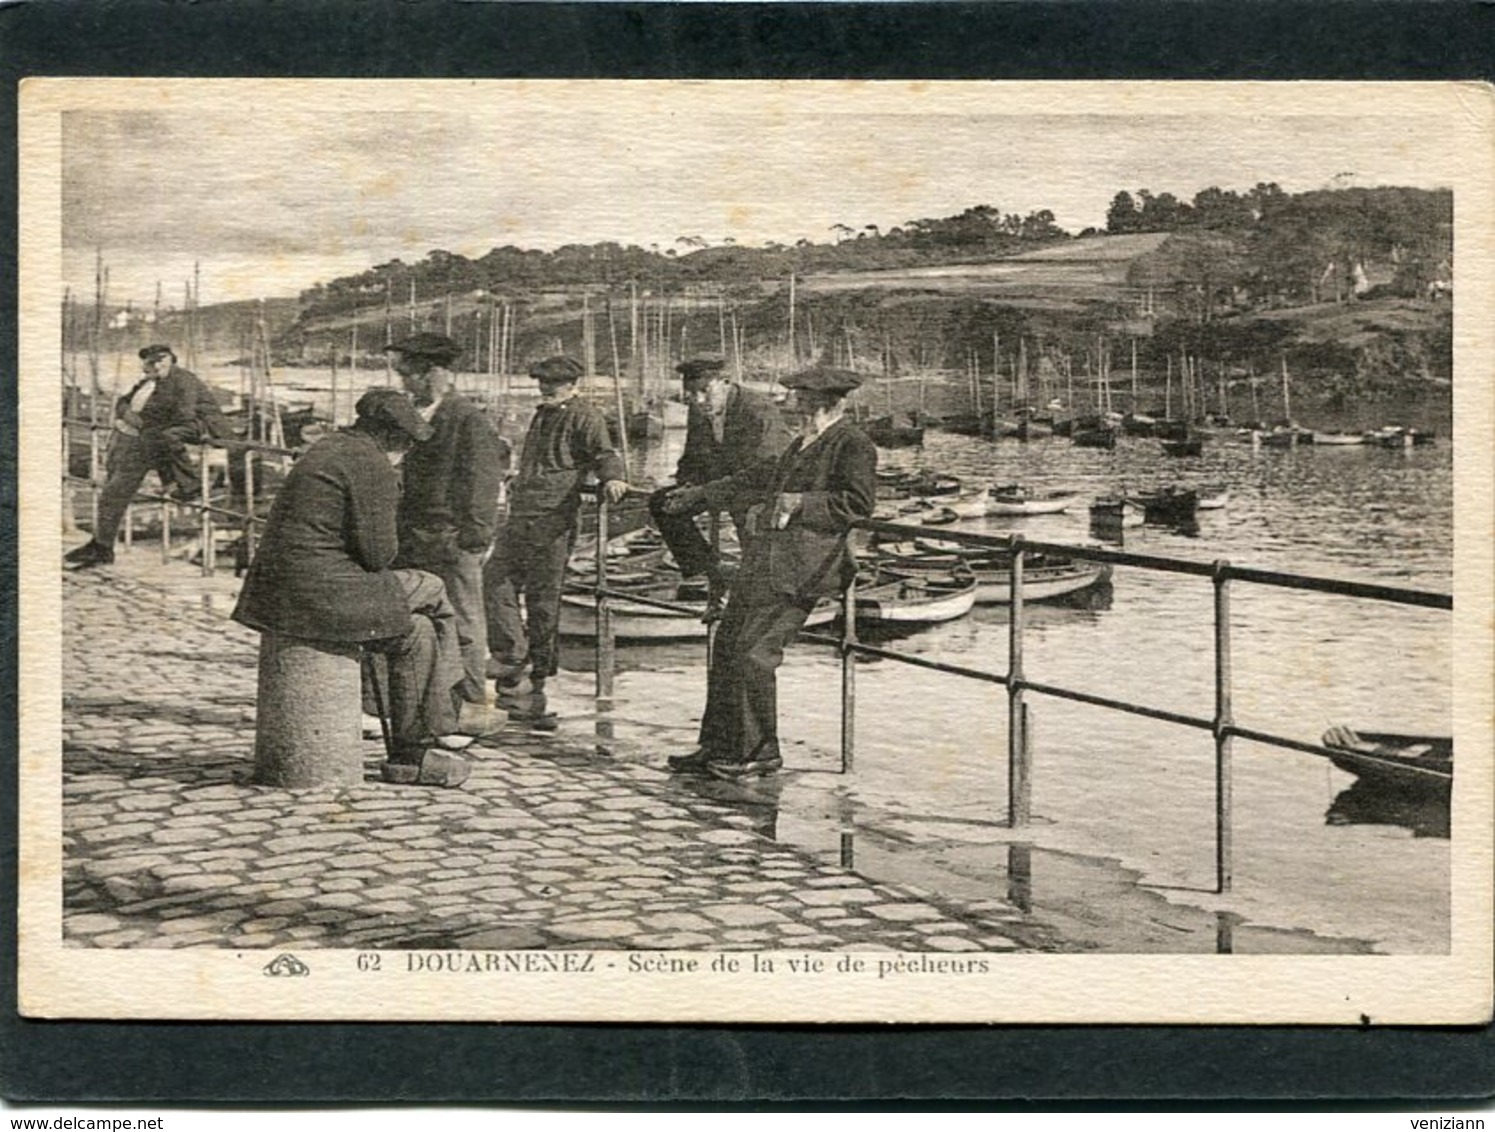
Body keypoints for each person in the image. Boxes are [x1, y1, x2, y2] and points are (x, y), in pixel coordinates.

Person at [231, 389, 472, 788]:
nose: (409, 450)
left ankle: (411, 752)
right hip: (319, 592)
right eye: (407, 441)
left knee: (418, 632)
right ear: (391, 438)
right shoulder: (370, 464)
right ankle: (443, 718)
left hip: (282, 591)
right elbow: (379, 555)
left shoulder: (331, 447)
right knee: (433, 588)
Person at [663, 366, 877, 780]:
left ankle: (760, 752)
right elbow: (756, 476)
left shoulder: (853, 443)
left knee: (754, 653)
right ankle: (716, 746)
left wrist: (800, 503)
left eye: (797, 396)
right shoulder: (802, 442)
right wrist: (701, 493)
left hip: (806, 567)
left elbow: (857, 505)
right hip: (766, 560)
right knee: (726, 645)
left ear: (821, 401)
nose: (789, 401)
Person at [483, 355, 629, 728]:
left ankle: (538, 679)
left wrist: (612, 479)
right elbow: (540, 459)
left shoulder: (584, 416)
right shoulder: (543, 414)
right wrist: (520, 476)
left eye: (553, 383)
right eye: (542, 382)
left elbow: (604, 454)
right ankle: (513, 656)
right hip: (523, 514)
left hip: (554, 519)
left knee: (544, 600)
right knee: (495, 581)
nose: (545, 388)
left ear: (572, 384)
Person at [384, 332, 510, 706]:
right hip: (416, 537)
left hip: (451, 539)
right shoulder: (418, 415)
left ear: (434, 373)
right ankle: (425, 701)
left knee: (464, 624)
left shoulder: (466, 418)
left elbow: (483, 481)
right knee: (415, 621)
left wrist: (473, 537)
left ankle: (470, 704)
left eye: (410, 376)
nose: (406, 384)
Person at [648, 355, 791, 617]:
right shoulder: (699, 408)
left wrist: (703, 491)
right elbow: (693, 455)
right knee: (662, 503)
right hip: (718, 485)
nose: (698, 400)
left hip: (757, 489)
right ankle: (711, 570)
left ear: (724, 382)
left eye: (704, 391)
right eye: (691, 394)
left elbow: (768, 468)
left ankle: (758, 603)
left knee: (750, 528)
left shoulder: (757, 409)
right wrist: (685, 485)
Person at [64, 343, 228, 570]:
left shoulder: (183, 381)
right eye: (147, 365)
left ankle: (187, 485)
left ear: (167, 361)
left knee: (119, 487)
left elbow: (183, 414)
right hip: (148, 436)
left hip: (197, 428)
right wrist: (129, 415)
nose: (149, 369)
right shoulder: (149, 382)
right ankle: (101, 545)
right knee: (112, 492)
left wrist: (140, 420)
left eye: (155, 364)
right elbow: (122, 402)